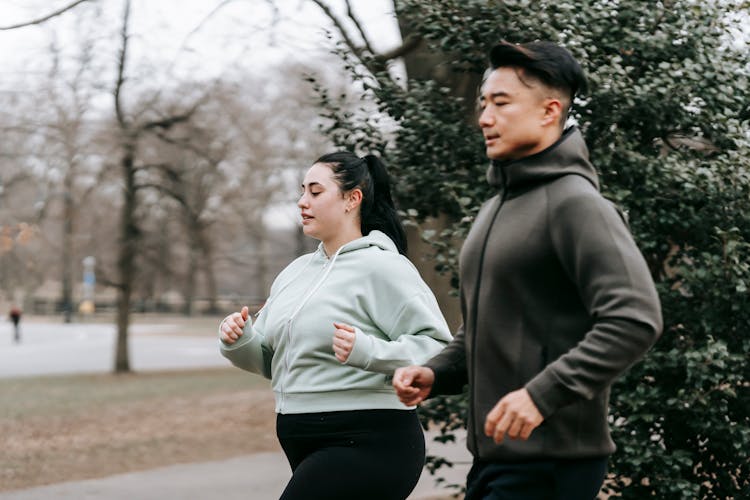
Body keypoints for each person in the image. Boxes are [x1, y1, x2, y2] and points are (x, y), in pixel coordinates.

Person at [393, 41, 663, 500]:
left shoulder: (576, 205)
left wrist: (542, 394)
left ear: (548, 111)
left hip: (552, 462)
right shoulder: (495, 208)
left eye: (501, 103)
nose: (484, 118)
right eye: (483, 104)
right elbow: (486, 325)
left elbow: (635, 318)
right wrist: (437, 372)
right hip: (496, 459)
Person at [219, 152, 453, 500]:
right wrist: (240, 341)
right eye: (302, 191)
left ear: (352, 199)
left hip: (371, 440)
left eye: (315, 192)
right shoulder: (294, 273)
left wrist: (369, 352)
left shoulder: (384, 267)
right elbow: (274, 362)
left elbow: (438, 347)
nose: (302, 202)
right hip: (300, 438)